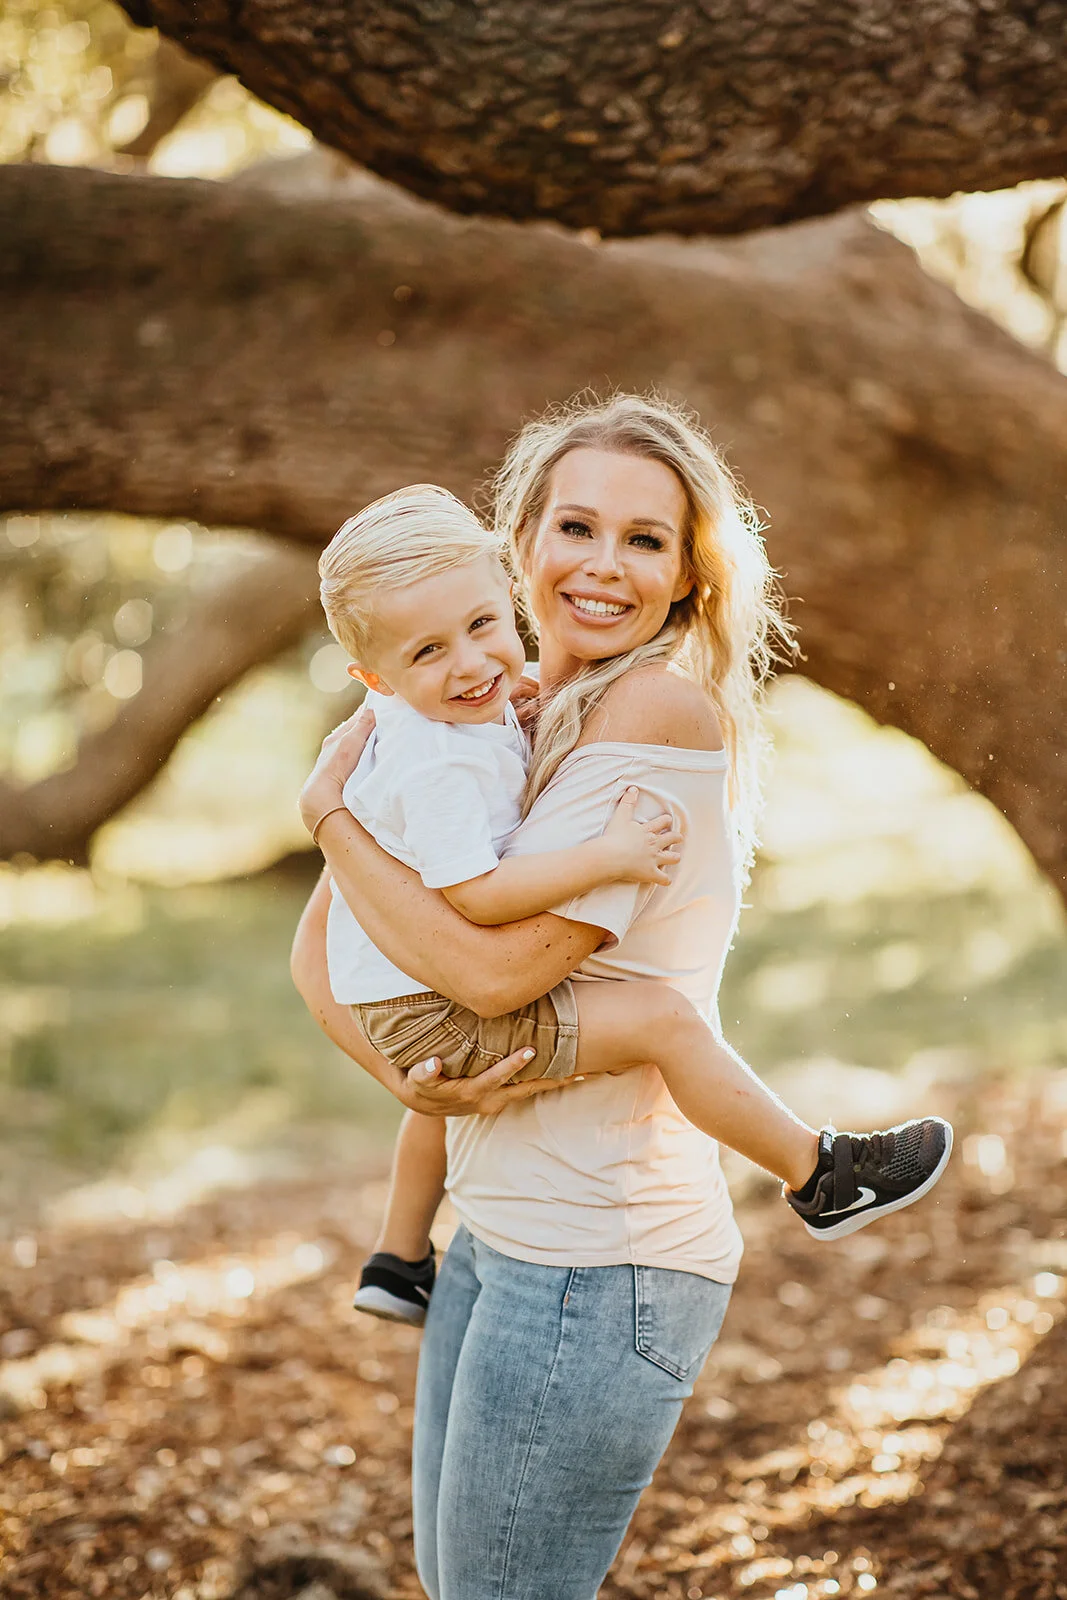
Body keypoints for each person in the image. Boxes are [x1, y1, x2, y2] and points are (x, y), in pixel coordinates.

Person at [291, 394, 952, 1600]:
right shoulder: (488, 717)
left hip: (600, 1262)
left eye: (645, 540)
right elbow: (315, 950)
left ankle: (817, 1170)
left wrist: (331, 817)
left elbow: (487, 970)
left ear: (689, 575)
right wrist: (403, 1074)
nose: (603, 566)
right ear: (520, 541)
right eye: (576, 527)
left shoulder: (651, 708)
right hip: (496, 1231)